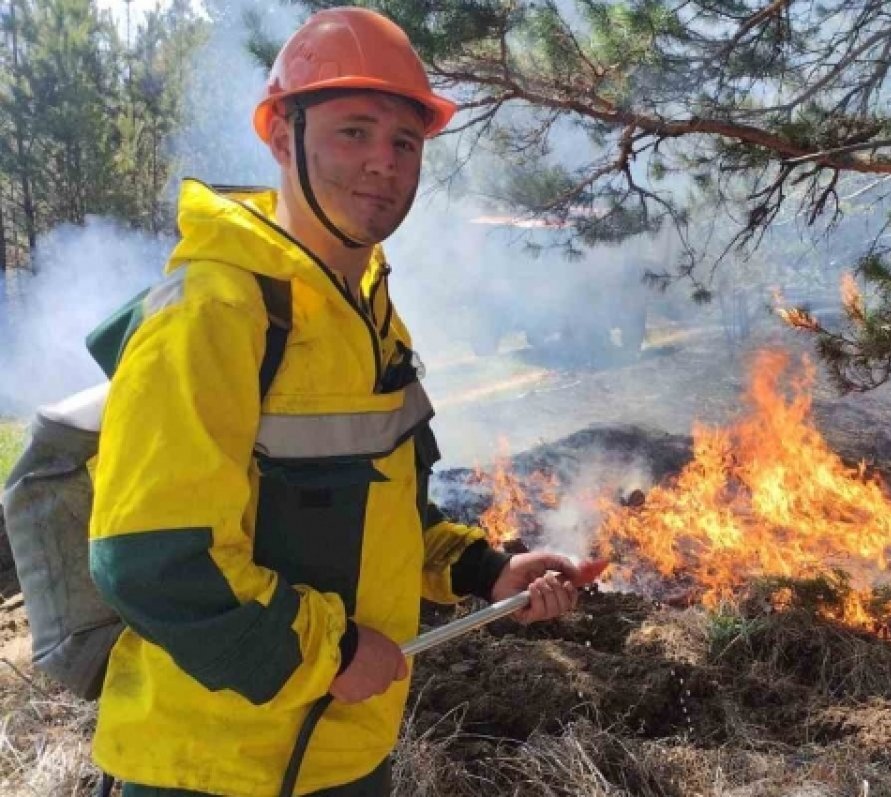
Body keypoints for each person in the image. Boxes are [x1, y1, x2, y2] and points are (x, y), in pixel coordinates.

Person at [87, 7, 587, 795]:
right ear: (283, 136)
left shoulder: (367, 312)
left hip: (342, 757)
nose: (383, 163)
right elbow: (153, 562)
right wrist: (330, 652)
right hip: (212, 768)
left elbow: (378, 514)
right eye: (354, 131)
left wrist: (489, 571)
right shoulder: (212, 314)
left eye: (404, 142)